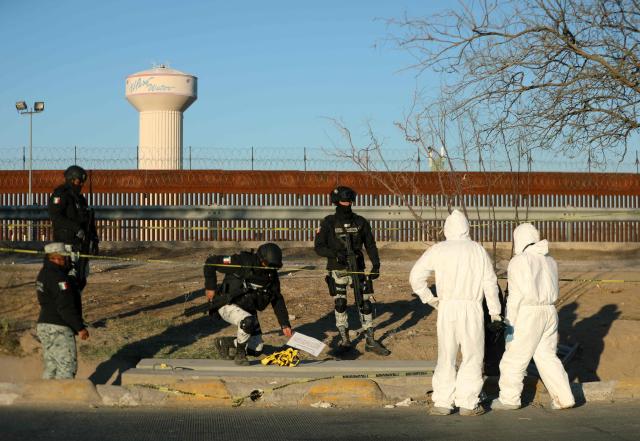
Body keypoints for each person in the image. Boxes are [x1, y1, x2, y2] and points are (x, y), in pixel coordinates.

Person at [409, 209, 501, 416]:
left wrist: (431, 299)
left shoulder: (438, 249)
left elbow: (416, 276)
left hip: (447, 308)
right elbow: (490, 284)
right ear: (467, 228)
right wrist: (495, 313)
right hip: (472, 308)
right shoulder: (477, 250)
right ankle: (468, 403)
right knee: (472, 356)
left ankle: (442, 401)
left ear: (446, 228)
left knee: (446, 356)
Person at [492, 223, 575, 411]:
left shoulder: (519, 261)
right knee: (547, 357)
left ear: (518, 239)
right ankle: (564, 397)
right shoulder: (550, 260)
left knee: (514, 357)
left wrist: (509, 322)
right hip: (549, 311)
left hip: (528, 313)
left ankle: (509, 399)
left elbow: (515, 296)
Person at [314, 186, 389, 356]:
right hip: (337, 269)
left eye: (349, 201)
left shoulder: (360, 221)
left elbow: (370, 244)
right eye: (343, 201)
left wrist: (376, 265)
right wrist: (336, 254)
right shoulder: (328, 222)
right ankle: (344, 340)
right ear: (335, 202)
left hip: (358, 268)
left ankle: (370, 340)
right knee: (340, 304)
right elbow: (318, 247)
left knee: (365, 303)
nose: (346, 204)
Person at [203, 243, 293, 365]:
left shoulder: (272, 276)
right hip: (227, 304)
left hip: (248, 309)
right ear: (260, 258)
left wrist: (284, 323)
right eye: (267, 264)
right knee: (248, 321)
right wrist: (210, 287)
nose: (269, 268)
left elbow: (277, 298)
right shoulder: (241, 261)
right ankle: (240, 355)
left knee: (257, 349)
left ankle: (225, 343)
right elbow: (211, 262)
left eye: (274, 266)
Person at [36, 242, 89, 379]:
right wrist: (80, 327)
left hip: (44, 326)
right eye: (65, 258)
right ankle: (61, 398)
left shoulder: (43, 273)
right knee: (66, 367)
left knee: (51, 366)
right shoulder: (59, 278)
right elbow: (65, 306)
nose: (67, 261)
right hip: (58, 327)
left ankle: (43, 396)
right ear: (57, 258)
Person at [48, 165, 99, 293]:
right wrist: (76, 228)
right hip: (66, 244)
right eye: (78, 181)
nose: (81, 184)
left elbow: (88, 220)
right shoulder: (61, 194)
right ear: (70, 179)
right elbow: (56, 216)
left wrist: (94, 239)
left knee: (81, 279)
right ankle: (64, 309)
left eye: (82, 182)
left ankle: (73, 308)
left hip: (81, 245)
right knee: (69, 280)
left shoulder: (81, 199)